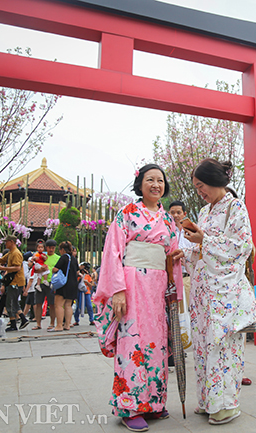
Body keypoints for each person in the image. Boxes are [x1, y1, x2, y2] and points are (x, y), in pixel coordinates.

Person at [95, 163, 183, 432]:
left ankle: (153, 402)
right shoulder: (127, 213)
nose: (156, 185)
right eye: (150, 180)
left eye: (160, 180)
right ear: (140, 184)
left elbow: (173, 253)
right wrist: (118, 290)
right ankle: (130, 405)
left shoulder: (168, 220)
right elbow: (113, 252)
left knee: (157, 343)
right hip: (132, 283)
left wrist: (176, 271)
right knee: (132, 340)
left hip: (157, 286)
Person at [172, 158, 256, 425]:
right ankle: (209, 400)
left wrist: (205, 240)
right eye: (197, 187)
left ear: (215, 181)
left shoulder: (236, 207)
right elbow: (200, 251)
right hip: (203, 289)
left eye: (202, 186)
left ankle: (226, 404)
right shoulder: (204, 212)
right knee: (202, 344)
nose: (200, 192)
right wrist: (185, 250)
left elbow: (242, 247)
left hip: (226, 291)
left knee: (222, 345)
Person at [49, 241, 79, 332]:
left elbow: (55, 269)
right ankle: (67, 325)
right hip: (73, 284)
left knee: (58, 305)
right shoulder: (74, 259)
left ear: (62, 249)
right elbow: (77, 272)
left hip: (63, 284)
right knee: (68, 305)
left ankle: (59, 325)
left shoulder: (64, 257)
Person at [33, 239, 59, 331]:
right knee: (38, 303)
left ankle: (52, 323)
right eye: (49, 248)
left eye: (53, 248)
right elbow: (35, 269)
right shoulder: (41, 256)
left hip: (52, 282)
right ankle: (38, 323)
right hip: (40, 282)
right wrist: (41, 270)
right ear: (46, 248)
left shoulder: (58, 258)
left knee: (52, 304)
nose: (51, 250)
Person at [73, 262, 95, 326]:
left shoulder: (88, 276)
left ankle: (91, 319)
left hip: (87, 292)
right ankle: (76, 320)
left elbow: (91, 285)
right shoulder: (78, 275)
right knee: (78, 306)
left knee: (89, 306)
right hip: (79, 292)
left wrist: (86, 282)